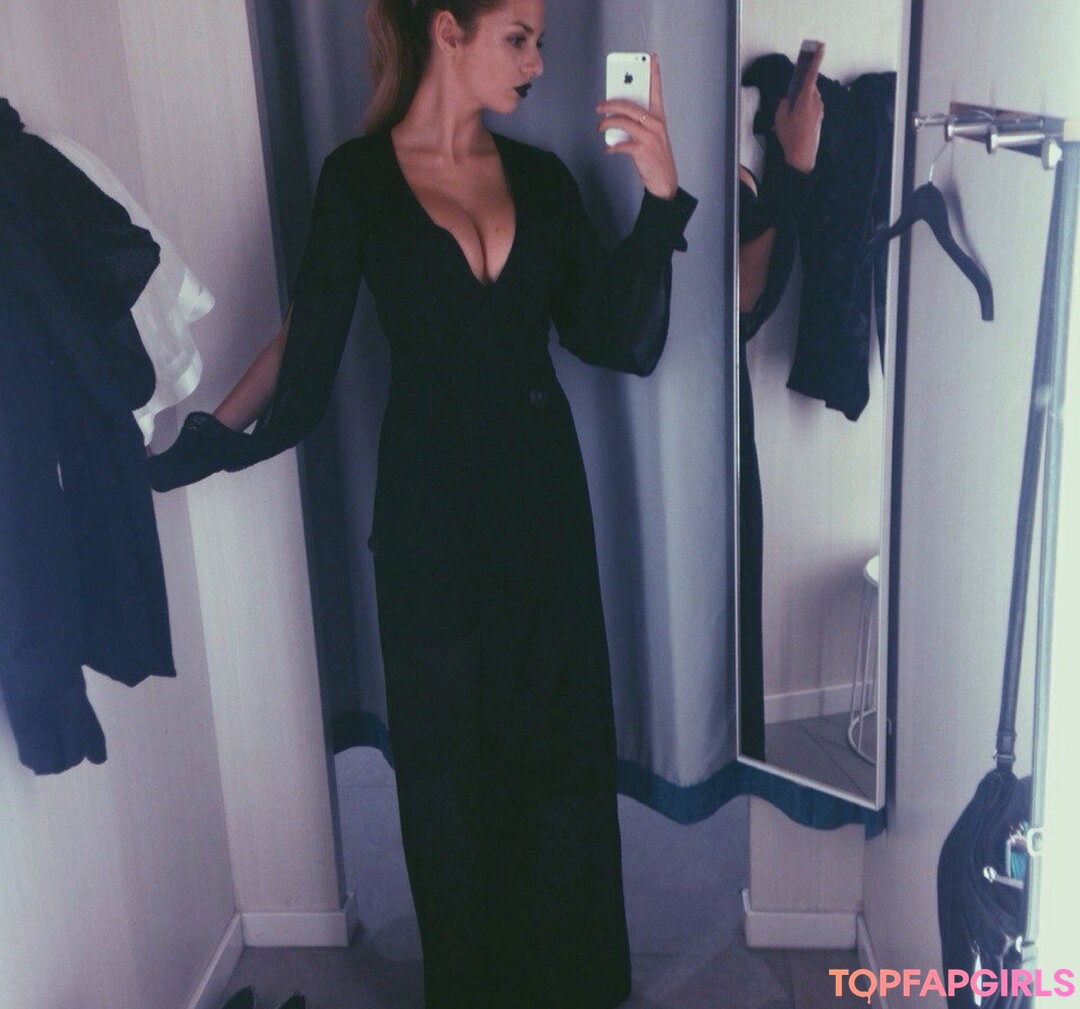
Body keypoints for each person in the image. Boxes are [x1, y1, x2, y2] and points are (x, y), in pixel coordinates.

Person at [149, 1, 696, 1006]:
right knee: (449, 764)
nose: (538, 62)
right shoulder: (358, 179)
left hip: (543, 501)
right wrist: (205, 441)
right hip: (427, 518)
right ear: (448, 31)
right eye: (518, 38)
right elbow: (305, 348)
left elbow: (611, 336)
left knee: (560, 746)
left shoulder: (541, 177)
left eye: (539, 41)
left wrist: (661, 200)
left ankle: (573, 982)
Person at [737, 44, 824, 761]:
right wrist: (795, 165)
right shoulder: (728, 182)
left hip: (719, 410)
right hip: (697, 412)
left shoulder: (738, 180)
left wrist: (792, 165)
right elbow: (740, 303)